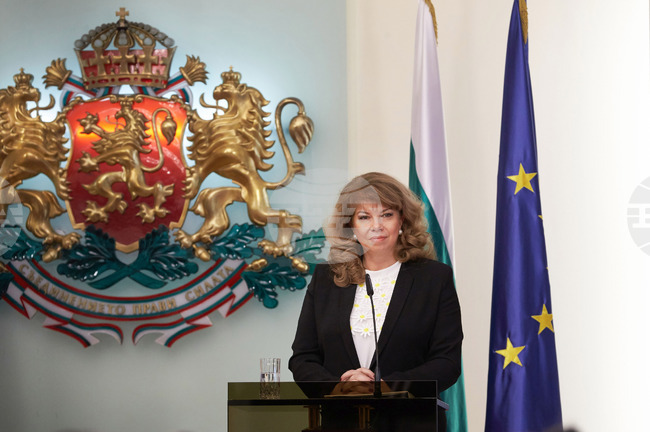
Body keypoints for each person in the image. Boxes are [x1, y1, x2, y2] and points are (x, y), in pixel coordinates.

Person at [289, 172, 463, 431]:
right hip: (342, 423)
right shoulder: (326, 279)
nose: (376, 225)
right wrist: (340, 386)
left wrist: (384, 387)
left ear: (402, 219)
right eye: (364, 217)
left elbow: (447, 362)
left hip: (412, 423)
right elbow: (303, 358)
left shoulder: (434, 278)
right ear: (350, 225)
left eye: (386, 215)